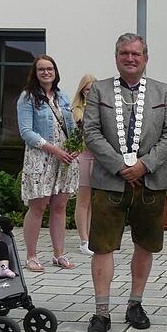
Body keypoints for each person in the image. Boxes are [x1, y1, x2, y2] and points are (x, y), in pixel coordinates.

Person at [83, 33, 167, 332]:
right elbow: (92, 132)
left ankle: (135, 304)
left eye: (136, 53)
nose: (130, 58)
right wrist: (121, 166)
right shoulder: (98, 90)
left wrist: (144, 165)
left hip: (151, 181)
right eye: (124, 53)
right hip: (110, 181)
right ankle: (101, 312)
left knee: (145, 244)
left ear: (146, 58)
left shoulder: (163, 91)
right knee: (103, 246)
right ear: (116, 57)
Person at [17, 54, 78, 272]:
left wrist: (75, 147)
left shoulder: (62, 97)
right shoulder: (27, 97)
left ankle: (58, 254)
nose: (46, 72)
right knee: (38, 206)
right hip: (40, 157)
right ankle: (31, 256)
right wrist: (54, 150)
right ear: (35, 73)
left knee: (60, 206)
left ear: (55, 71)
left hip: (64, 159)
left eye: (49, 68)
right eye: (41, 69)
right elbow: (26, 132)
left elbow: (71, 126)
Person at [72, 74, 97, 257]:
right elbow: (85, 131)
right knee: (83, 201)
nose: (90, 92)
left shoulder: (100, 108)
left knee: (91, 202)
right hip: (85, 156)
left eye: (93, 89)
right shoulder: (78, 109)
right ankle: (83, 240)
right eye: (87, 89)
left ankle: (89, 237)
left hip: (99, 158)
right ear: (82, 90)